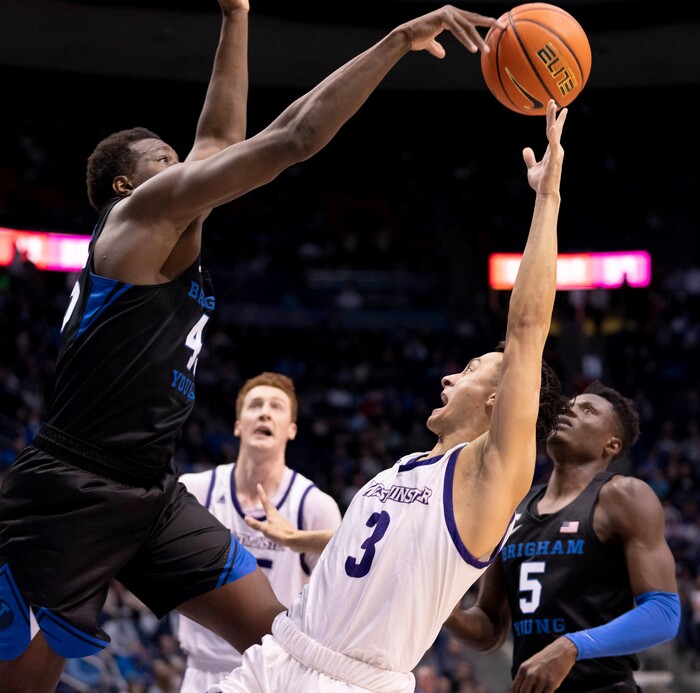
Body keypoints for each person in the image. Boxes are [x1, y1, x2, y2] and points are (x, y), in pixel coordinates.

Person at [0, 2, 507, 691]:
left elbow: (217, 140)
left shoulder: (167, 221)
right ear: (127, 184)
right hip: (74, 489)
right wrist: (393, 41)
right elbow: (293, 137)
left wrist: (235, 16)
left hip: (150, 487)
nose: (193, 167)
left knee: (292, 648)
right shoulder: (137, 218)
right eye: (167, 160)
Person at [208, 98, 570, 693]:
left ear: (499, 399)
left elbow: (527, 329)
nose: (451, 375)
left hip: (351, 683)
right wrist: (299, 539)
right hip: (279, 655)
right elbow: (374, 542)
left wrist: (547, 197)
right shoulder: (412, 464)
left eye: (475, 367)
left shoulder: (492, 472)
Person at [444, 381, 681, 692]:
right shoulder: (512, 508)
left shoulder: (623, 495)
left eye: (587, 410)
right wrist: (444, 612)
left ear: (611, 445)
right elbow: (489, 627)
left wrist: (571, 646)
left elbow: (664, 612)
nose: (567, 411)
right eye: (568, 405)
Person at [176, 372, 342, 692]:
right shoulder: (195, 491)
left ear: (291, 430)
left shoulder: (315, 506)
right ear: (238, 425)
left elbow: (334, 604)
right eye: (255, 405)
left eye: (276, 406)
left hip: (273, 674)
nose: (265, 412)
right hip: (201, 670)